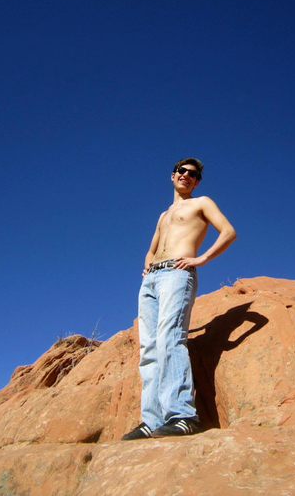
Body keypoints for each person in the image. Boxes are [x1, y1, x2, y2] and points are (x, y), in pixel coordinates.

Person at [122, 158, 237, 439]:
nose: (187, 175)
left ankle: (183, 415)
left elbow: (229, 231)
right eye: (182, 171)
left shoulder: (201, 203)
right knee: (149, 349)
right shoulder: (164, 215)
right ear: (172, 176)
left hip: (177, 272)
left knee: (170, 337)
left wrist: (202, 258)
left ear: (197, 182)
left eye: (193, 174)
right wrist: (148, 264)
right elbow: (151, 248)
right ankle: (151, 420)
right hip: (151, 280)